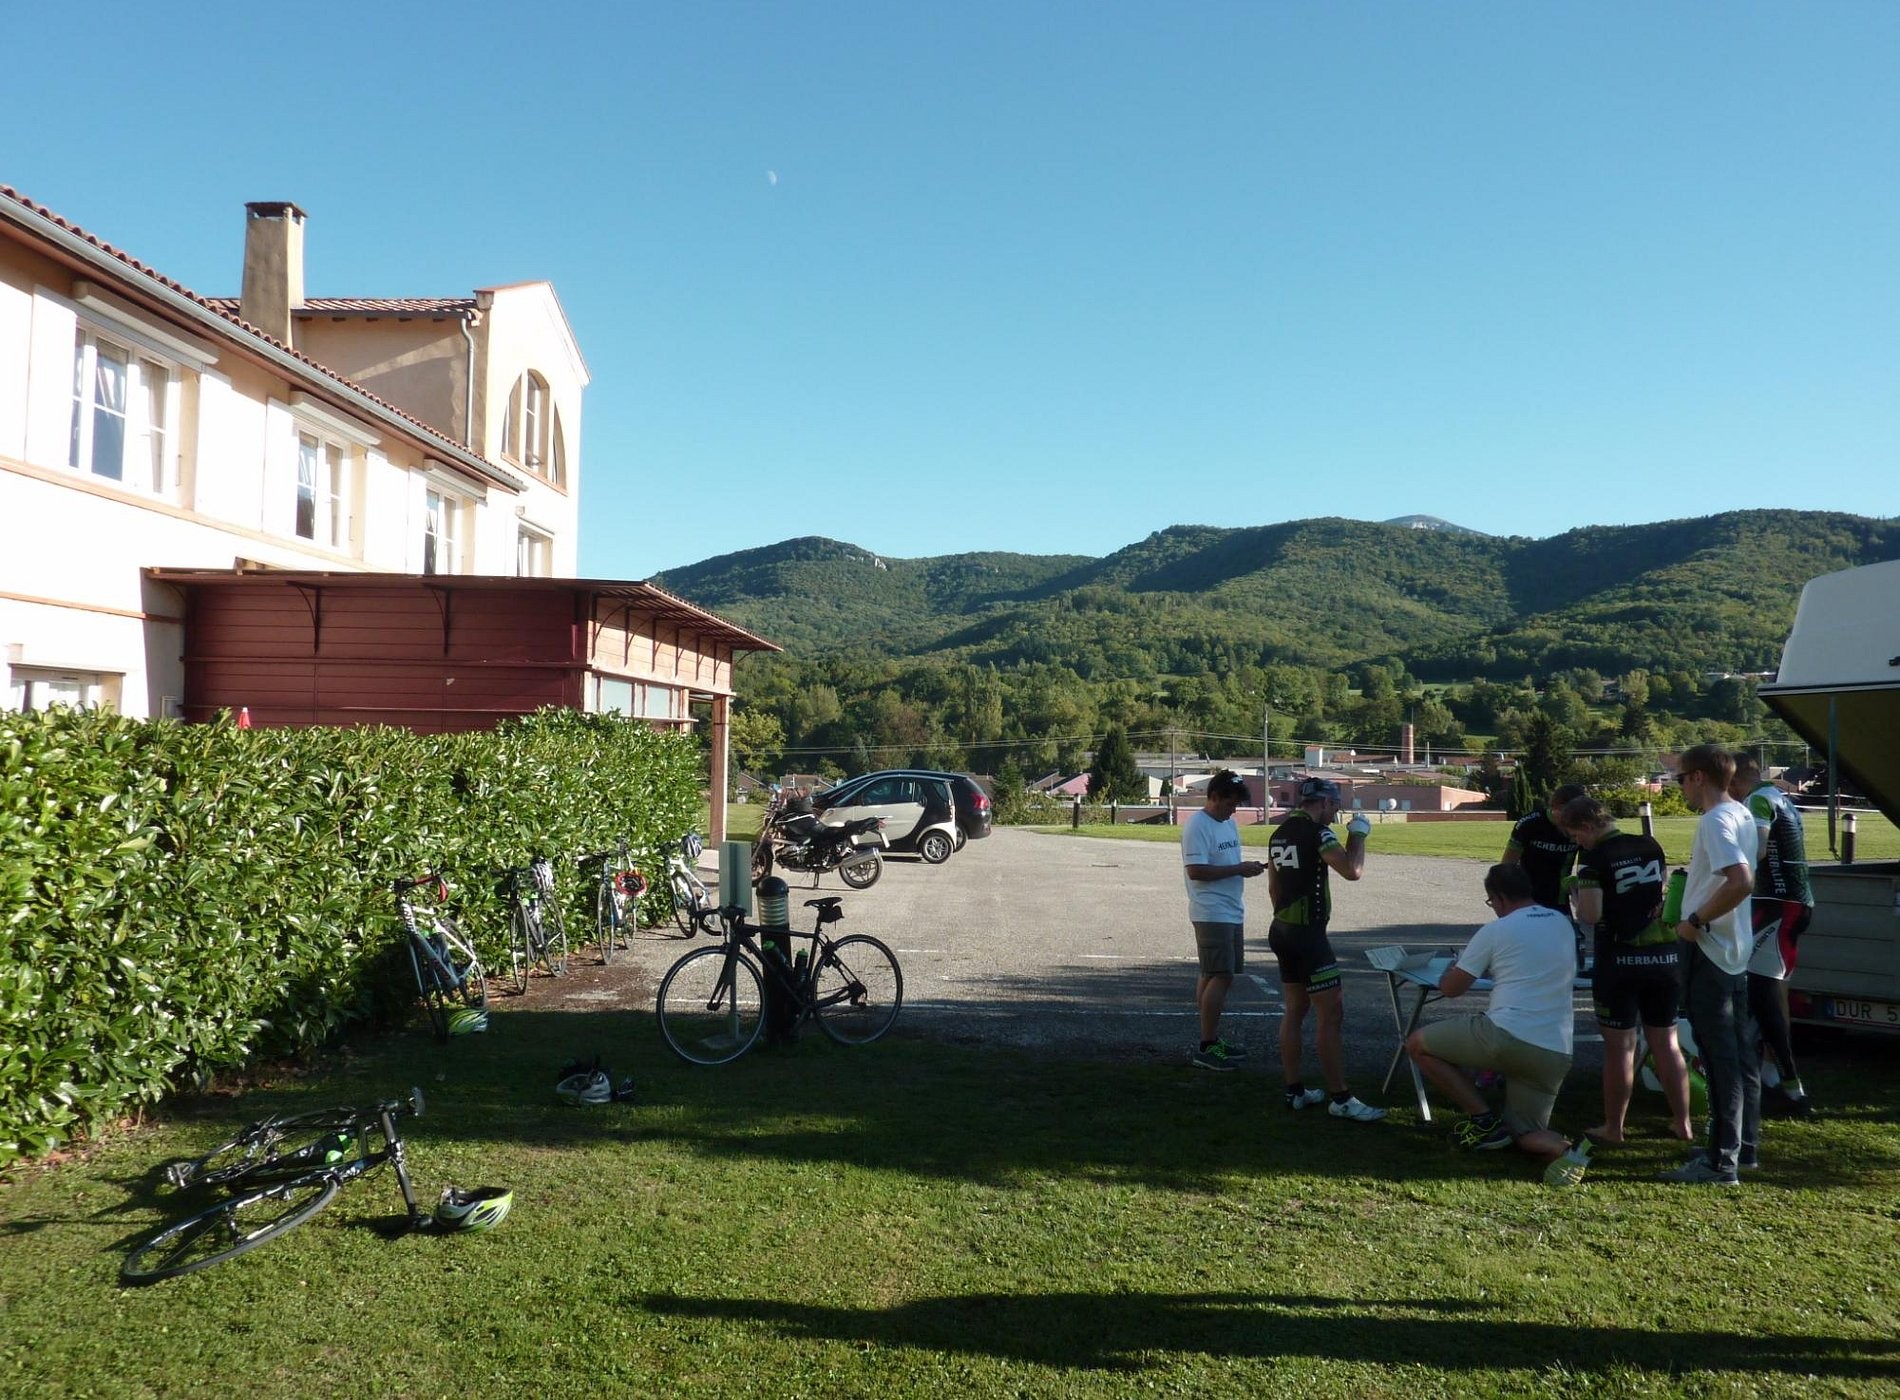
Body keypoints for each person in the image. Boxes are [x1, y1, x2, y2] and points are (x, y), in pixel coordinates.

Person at [1405, 863, 1585, 1183]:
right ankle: (1570, 1149)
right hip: (1555, 1050)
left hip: (1507, 1034)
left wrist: (1457, 965)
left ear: (1499, 899)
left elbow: (1451, 989)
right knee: (1526, 1134)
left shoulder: (1496, 930)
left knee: (1418, 1044)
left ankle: (1483, 1119)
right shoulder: (1561, 922)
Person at [1558, 795, 1693, 1144]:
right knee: (1667, 1043)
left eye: (1576, 836)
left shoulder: (1593, 860)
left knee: (1621, 1047)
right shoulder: (1650, 845)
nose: (1577, 843)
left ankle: (1614, 1128)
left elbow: (1591, 915)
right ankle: (1683, 1123)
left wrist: (1575, 891)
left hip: (1618, 960)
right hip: (1663, 956)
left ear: (1588, 826)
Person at [1662, 744, 1759, 1185]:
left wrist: (1696, 920)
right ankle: (1744, 1147)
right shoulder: (1740, 812)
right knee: (1739, 1054)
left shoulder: (1716, 819)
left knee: (1719, 1058)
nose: (1678, 785)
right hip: (1735, 949)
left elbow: (1740, 880)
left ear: (1699, 777)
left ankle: (1722, 1161)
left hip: (1711, 947)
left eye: (1680, 778)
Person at [1266, 777, 1384, 1120]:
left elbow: (1273, 888)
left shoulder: (1280, 833)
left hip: (1282, 930)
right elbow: (1352, 870)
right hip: (1308, 937)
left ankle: (1294, 1091)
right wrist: (1359, 834)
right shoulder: (1319, 834)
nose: (1335, 814)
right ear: (1323, 803)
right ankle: (1341, 1098)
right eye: (1334, 806)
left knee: (1294, 1011)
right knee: (1331, 1015)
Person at [1728, 754, 1816, 1117]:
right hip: (1795, 903)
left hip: (1778, 905)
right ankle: (1769, 1076)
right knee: (1775, 994)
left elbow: (1759, 849)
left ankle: (1793, 1092)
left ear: (1734, 782)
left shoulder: (1757, 801)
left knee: (1764, 996)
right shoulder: (1781, 796)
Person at [1181, 770, 1267, 1070]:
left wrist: (1247, 867)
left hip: (1231, 908)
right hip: (1211, 911)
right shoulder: (1197, 825)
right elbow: (1196, 870)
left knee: (1211, 973)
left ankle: (1211, 1039)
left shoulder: (1228, 824)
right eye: (1230, 803)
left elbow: (1228, 863)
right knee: (1222, 974)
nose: (1234, 809)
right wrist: (1239, 869)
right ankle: (1206, 1046)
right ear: (1214, 796)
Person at [1502, 783, 1587, 911]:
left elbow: (1586, 866)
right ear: (1556, 807)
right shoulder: (1529, 823)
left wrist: (1579, 884)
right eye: (1569, 814)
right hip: (1527, 898)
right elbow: (1507, 866)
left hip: (1560, 899)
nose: (1571, 821)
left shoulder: (1581, 826)